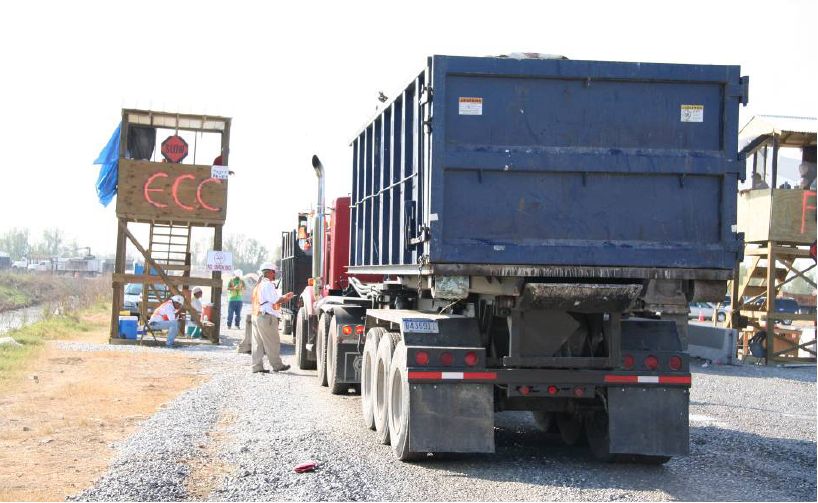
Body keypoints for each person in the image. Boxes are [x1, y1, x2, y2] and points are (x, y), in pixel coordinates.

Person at [251, 262, 294, 373]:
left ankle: (256, 367)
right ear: (269, 272)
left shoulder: (259, 285)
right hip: (266, 318)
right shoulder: (268, 284)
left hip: (257, 316)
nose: (275, 274)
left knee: (258, 344)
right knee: (272, 342)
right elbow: (275, 300)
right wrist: (286, 297)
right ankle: (277, 365)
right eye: (274, 272)